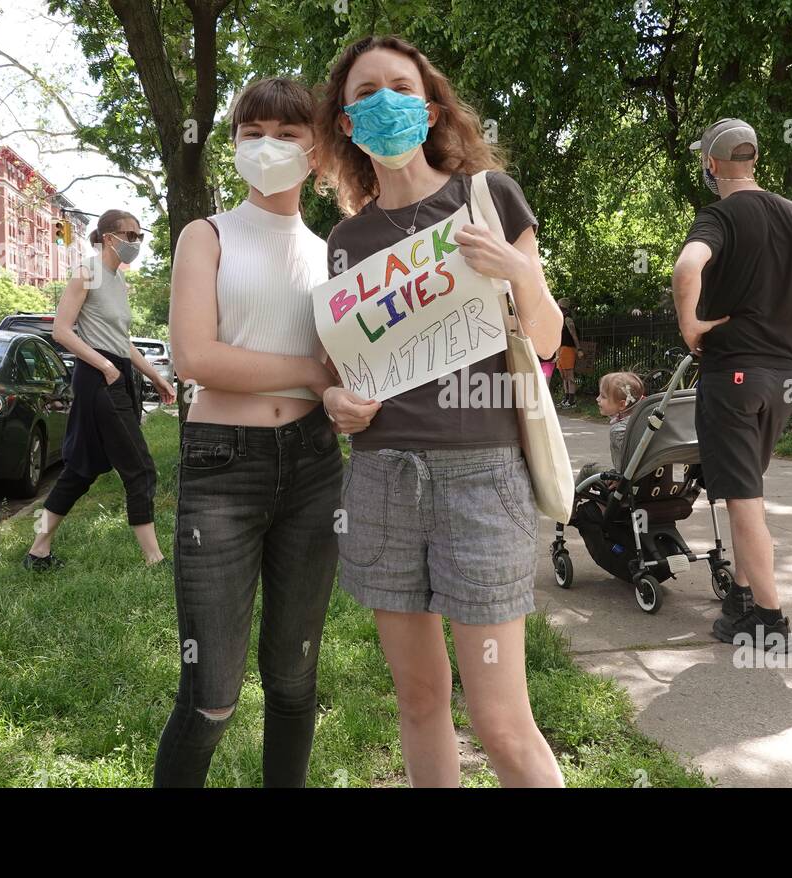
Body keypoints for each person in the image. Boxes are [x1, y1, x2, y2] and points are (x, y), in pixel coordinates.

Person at [315, 34, 565, 787]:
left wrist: (518, 268)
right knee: (420, 701)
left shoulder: (486, 196)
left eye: (400, 86)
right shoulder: (345, 242)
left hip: (482, 479)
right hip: (382, 480)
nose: (384, 100)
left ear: (428, 109)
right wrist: (335, 403)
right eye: (365, 93)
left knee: (500, 720)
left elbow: (549, 337)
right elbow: (339, 371)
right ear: (347, 122)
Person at [154, 77, 342, 788]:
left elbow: (352, 362)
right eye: (252, 131)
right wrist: (309, 372)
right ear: (232, 144)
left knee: (294, 681)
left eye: (288, 134)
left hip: (316, 464)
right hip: (221, 466)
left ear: (316, 152)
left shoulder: (335, 253)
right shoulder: (205, 236)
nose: (269, 146)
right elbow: (196, 357)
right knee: (211, 697)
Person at [672, 117, 792, 653]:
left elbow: (687, 268)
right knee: (749, 491)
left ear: (713, 163)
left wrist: (692, 327)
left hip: (733, 376)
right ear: (752, 158)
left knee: (743, 500)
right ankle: (741, 597)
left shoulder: (720, 215)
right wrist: (787, 323)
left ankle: (768, 620)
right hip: (783, 379)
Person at [23, 209, 176, 571]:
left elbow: (123, 342)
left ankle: (37, 550)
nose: (136, 242)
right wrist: (105, 366)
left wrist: (156, 377)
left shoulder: (117, 280)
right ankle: (154, 559)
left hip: (115, 372)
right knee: (140, 468)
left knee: (80, 471)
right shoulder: (87, 272)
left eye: (140, 236)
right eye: (130, 235)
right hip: (99, 379)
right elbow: (61, 330)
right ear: (108, 237)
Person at [576, 371, 645, 486]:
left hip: (625, 483)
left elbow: (631, 463)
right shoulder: (646, 420)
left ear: (622, 405)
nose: (597, 399)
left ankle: (570, 502)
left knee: (588, 469)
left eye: (603, 396)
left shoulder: (619, 430)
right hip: (650, 482)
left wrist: (621, 480)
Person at [556, 298, 583, 407]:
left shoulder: (568, 319)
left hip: (568, 349)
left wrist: (579, 349)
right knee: (564, 376)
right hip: (561, 349)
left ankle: (572, 400)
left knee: (569, 374)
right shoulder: (560, 319)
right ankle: (566, 398)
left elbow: (574, 335)